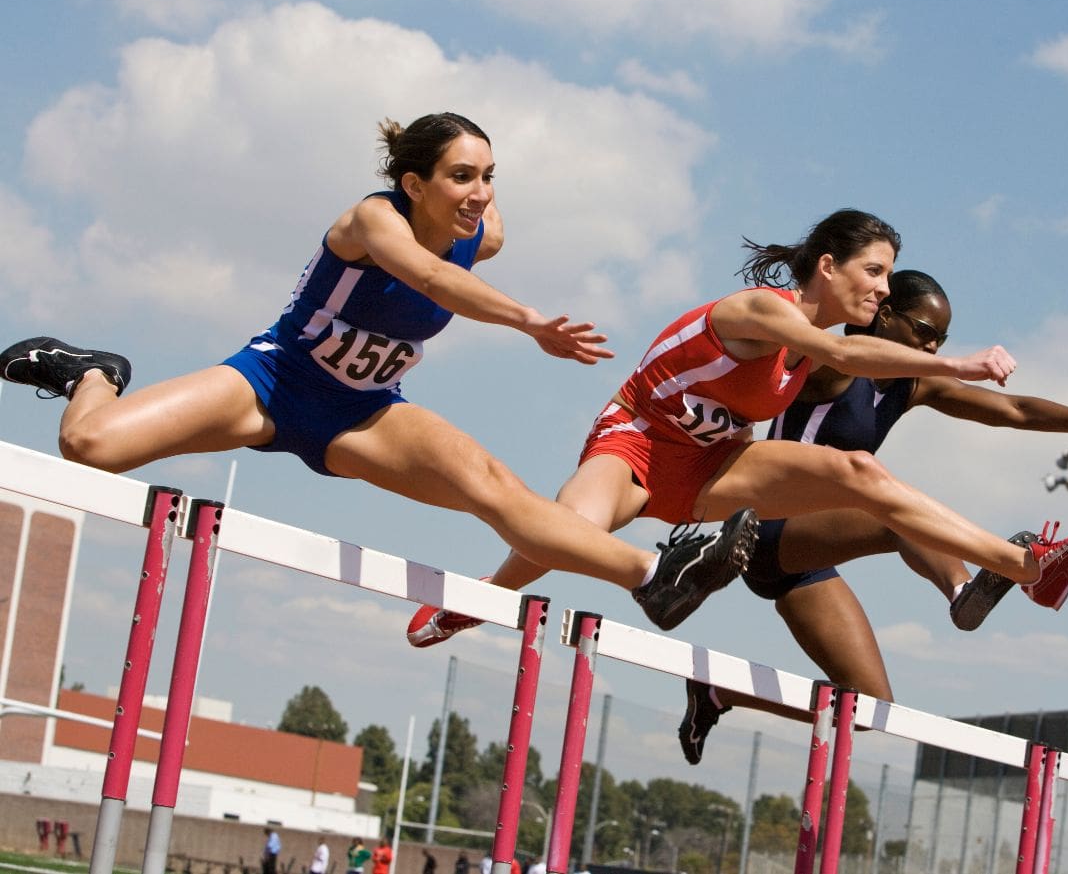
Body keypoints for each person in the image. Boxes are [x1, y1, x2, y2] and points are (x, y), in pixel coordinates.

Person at [0, 112, 757, 635]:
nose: (481, 194)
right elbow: (429, 279)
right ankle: (92, 371)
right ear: (413, 181)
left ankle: (658, 569)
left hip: (363, 411)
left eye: (489, 176)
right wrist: (530, 322)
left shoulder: (482, 233)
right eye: (462, 176)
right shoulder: (371, 220)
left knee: (496, 490)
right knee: (91, 447)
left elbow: (458, 254)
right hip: (273, 381)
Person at [409, 209, 1068, 645]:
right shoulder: (763, 310)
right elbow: (843, 353)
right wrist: (961, 363)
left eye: (890, 279)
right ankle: (476, 600)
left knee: (860, 473)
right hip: (639, 441)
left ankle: (1027, 568)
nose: (883, 290)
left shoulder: (819, 339)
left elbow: (850, 355)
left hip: (715, 465)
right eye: (875, 271)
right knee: (567, 526)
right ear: (827, 265)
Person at [675, 269, 1068, 762]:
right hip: (765, 528)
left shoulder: (912, 384)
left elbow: (1014, 411)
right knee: (888, 503)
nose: (933, 350)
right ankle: (967, 590)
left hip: (803, 559)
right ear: (885, 314)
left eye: (941, 340)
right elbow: (806, 350)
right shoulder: (832, 365)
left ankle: (719, 694)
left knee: (871, 708)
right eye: (924, 333)